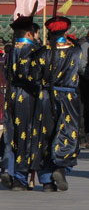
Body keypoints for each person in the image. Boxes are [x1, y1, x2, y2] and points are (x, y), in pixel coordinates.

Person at [34, 15, 86, 192]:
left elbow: (35, 76)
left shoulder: (42, 52)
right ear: (66, 31)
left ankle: (47, 180)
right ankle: (60, 167)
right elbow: (82, 70)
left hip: (46, 97)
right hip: (68, 97)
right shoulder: (75, 50)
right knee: (67, 133)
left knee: (45, 136)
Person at [1, 15, 39, 191]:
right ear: (30, 33)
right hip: (28, 96)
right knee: (26, 134)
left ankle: (8, 169)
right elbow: (32, 77)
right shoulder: (32, 50)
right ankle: (20, 176)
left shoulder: (11, 51)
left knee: (12, 134)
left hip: (12, 94)